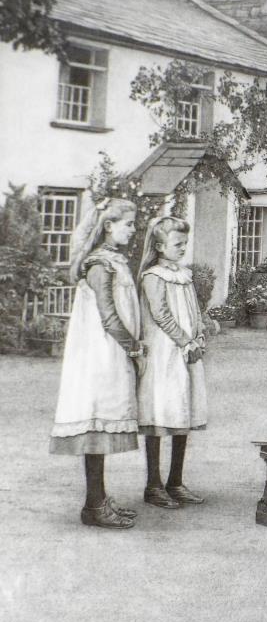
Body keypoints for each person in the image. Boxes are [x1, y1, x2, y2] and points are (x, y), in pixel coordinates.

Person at [50, 197, 145, 529]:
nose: (133, 231)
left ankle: (99, 499)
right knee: (95, 426)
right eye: (129, 224)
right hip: (99, 357)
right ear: (108, 225)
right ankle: (93, 505)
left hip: (109, 355)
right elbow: (108, 316)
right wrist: (133, 347)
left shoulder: (112, 261)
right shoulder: (99, 265)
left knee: (101, 428)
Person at [136, 216, 208, 509]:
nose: (182, 248)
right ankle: (153, 485)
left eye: (184, 243)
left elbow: (194, 311)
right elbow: (161, 315)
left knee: (183, 412)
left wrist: (199, 336)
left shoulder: (184, 275)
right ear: (159, 245)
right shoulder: (153, 276)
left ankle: (175, 482)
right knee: (159, 412)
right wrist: (184, 341)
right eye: (177, 244)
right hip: (165, 353)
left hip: (187, 353)